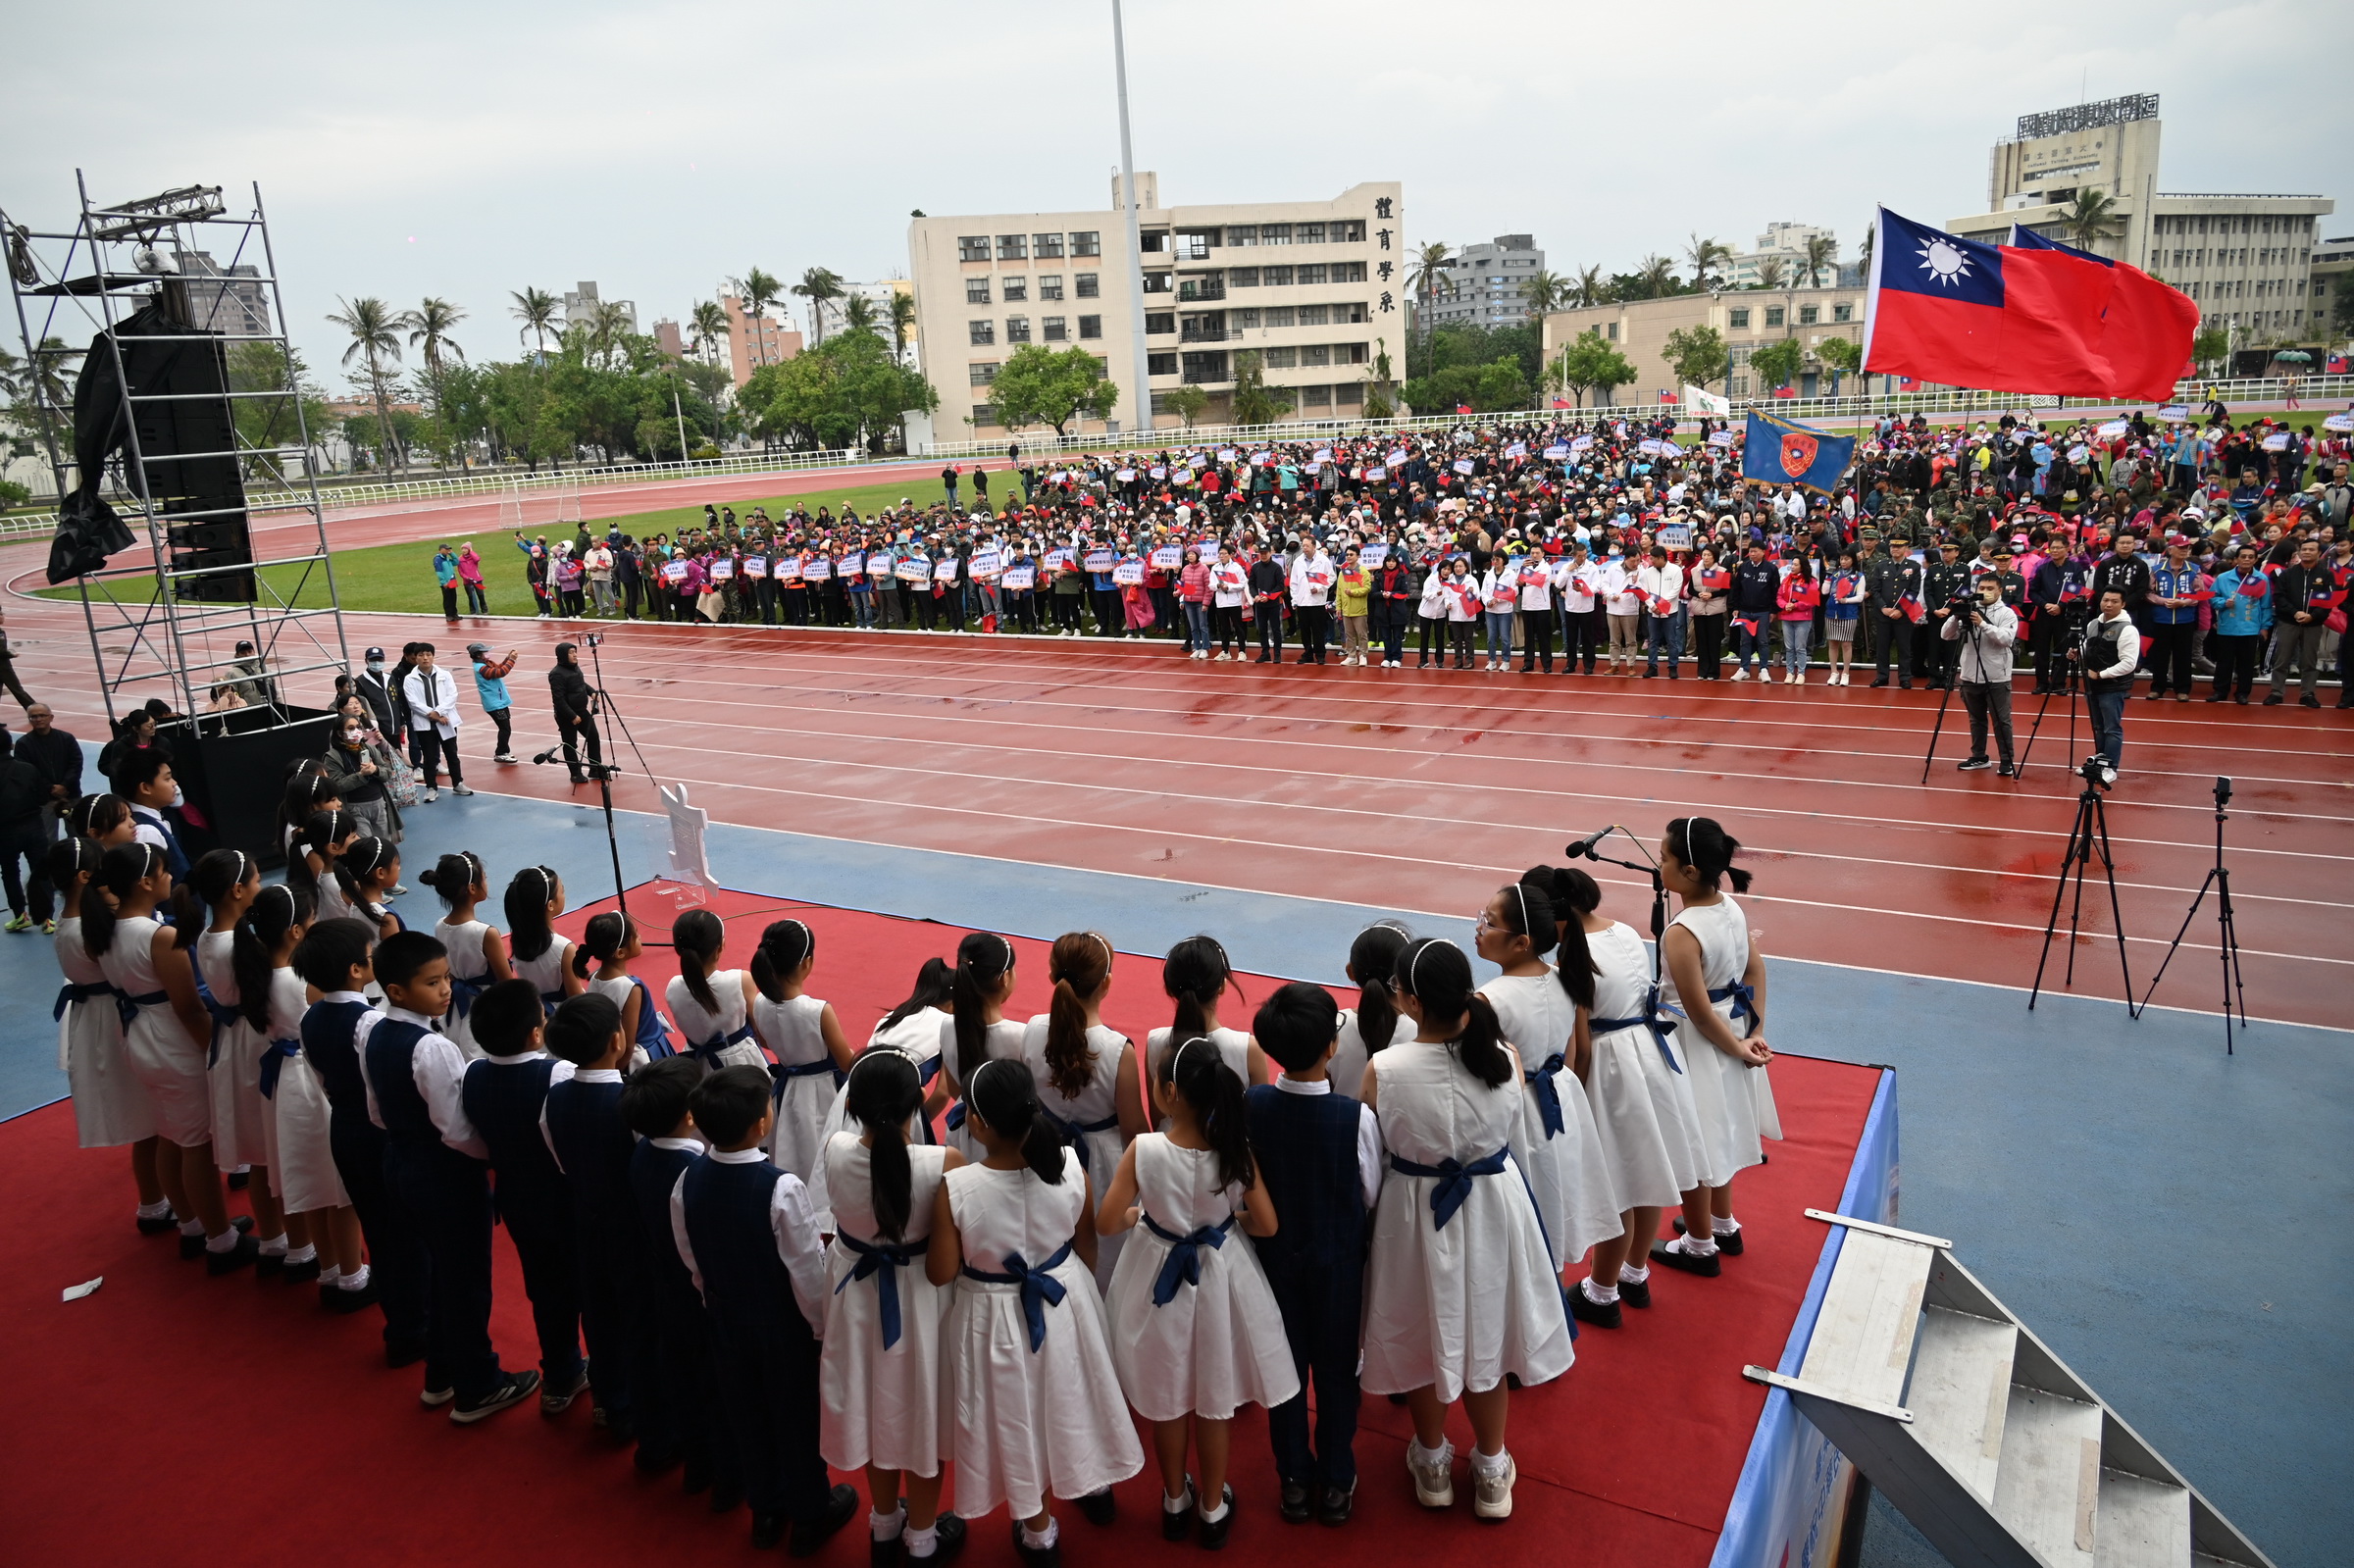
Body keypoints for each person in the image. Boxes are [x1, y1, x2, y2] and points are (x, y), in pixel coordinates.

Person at [1360, 937, 1573, 1520]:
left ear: (1409, 1002)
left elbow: (1371, 1150)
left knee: (1419, 1327)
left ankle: (1432, 1460)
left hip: (1414, 1214)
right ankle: (1491, 1468)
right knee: (1487, 1333)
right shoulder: (1504, 1057)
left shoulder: (1385, 1069)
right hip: (1492, 1208)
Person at [924, 1057, 1142, 1566]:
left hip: (992, 1314)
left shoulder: (958, 1187)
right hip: (1064, 1296)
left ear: (977, 1123)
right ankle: (1093, 1486)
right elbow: (1086, 1243)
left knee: (1017, 1414)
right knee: (1072, 1393)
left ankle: (1039, 1531)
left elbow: (940, 1271)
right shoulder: (1069, 1164)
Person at [1098, 1037, 1294, 1550]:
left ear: (1168, 1093)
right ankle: (1212, 1506)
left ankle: (1173, 1499)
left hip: (1156, 1275)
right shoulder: (1234, 1150)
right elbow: (1268, 1224)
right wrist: (1229, 1222)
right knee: (1213, 1396)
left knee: (1169, 1398)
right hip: (1219, 1278)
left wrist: (1142, 1217)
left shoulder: (1145, 1150)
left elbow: (1107, 1220)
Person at [671, 1064, 859, 1554]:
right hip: (781, 1326)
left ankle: (766, 1510)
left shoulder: (687, 1180)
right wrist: (820, 1328)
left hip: (725, 1317)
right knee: (796, 1415)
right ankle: (809, 1513)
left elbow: (691, 1255)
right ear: (761, 1123)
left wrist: (715, 1298)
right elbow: (806, 1272)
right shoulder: (780, 1188)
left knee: (746, 1411)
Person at [364, 930, 541, 1421]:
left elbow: (375, 1111)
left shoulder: (373, 1031)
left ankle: (442, 1371)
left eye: (446, 978)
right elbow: (458, 1130)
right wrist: (497, 1158)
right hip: (444, 1175)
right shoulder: (431, 1048)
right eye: (432, 983)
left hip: (399, 1162)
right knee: (466, 1280)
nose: (445, 990)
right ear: (397, 991)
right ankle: (478, 1384)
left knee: (440, 1273)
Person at [819, 1050, 968, 1568]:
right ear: (915, 1106)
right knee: (924, 1412)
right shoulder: (943, 1163)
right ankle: (922, 1538)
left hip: (857, 1302)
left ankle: (884, 1523)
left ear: (851, 1106)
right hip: (923, 1302)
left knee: (873, 1407)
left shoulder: (836, 1150)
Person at [1245, 981, 1381, 1526]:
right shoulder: (1355, 1117)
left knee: (1285, 1372)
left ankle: (1294, 1480)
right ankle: (1337, 1478)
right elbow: (1369, 1191)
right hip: (1338, 1262)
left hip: (1272, 1263)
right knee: (1338, 1371)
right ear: (1332, 1046)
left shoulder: (1252, 1104)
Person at [85, 843, 256, 1270]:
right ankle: (220, 1241)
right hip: (171, 1041)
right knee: (196, 1144)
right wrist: (214, 1052)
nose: (169, 878)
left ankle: (192, 1224)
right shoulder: (159, 937)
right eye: (163, 872)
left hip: (139, 1035)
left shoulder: (106, 928)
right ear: (145, 882)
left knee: (170, 1133)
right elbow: (188, 1007)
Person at [1474, 881, 1623, 1280]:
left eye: (1489, 921)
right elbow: (1571, 1055)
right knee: (1552, 1201)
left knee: (1521, 1213)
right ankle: (1554, 1293)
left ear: (1522, 942)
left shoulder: (1487, 1000)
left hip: (1517, 1114)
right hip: (1560, 1103)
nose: (1479, 927)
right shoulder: (1563, 979)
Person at [1648, 817, 1776, 1277]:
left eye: (1664, 858)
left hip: (1695, 1042)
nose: (1658, 865)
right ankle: (1723, 1224)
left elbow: (1697, 1011)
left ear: (1688, 872)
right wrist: (1753, 1031)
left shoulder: (1681, 932)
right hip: (1733, 1027)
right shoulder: (1731, 908)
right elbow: (1755, 970)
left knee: (1694, 1140)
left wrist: (1739, 1047)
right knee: (1719, 1130)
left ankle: (1699, 1245)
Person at [292, 917, 430, 1342]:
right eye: (370, 957)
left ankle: (400, 1322)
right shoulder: (370, 1022)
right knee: (406, 1229)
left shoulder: (309, 1018)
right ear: (356, 969)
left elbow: (320, 1078)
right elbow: (381, 1084)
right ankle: (416, 1324)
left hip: (344, 1126)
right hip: (378, 1130)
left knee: (376, 1226)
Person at [459, 978, 588, 1412]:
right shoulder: (556, 1073)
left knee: (544, 1286)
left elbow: (470, 1136)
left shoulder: (473, 1073)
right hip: (564, 1198)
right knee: (588, 1285)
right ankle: (607, 1384)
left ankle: (561, 1374)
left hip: (515, 1197)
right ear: (536, 1034)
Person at [544, 990, 659, 1444]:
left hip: (584, 1215)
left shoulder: (555, 1096)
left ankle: (609, 1399)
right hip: (630, 1224)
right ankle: (639, 1407)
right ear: (618, 1040)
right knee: (638, 1312)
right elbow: (645, 1168)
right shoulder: (630, 1101)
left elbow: (559, 1159)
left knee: (597, 1308)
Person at [620, 1058, 736, 1506]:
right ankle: (725, 1475)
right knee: (714, 1382)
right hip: (699, 1292)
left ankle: (697, 1463)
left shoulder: (641, 1153)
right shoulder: (695, 1169)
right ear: (691, 1116)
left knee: (683, 1376)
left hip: (663, 1285)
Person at [1017, 932, 1145, 1290]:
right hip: (1104, 1163)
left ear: (1051, 976)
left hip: (1048, 1153)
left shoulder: (1032, 1030)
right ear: (1106, 983)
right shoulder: (1118, 1049)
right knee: (1105, 1250)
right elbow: (1133, 1129)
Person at [50, 837, 166, 1227]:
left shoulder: (72, 920)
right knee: (153, 1122)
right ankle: (163, 1204)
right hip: (115, 1018)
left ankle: (155, 1202)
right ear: (86, 877)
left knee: (148, 1124)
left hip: (100, 1016)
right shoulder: (88, 929)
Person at [748, 918, 852, 1183]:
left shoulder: (759, 1002)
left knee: (788, 1147)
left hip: (784, 1088)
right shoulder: (817, 1010)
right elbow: (846, 1063)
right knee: (817, 1152)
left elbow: (765, 1042)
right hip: (820, 1093)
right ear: (806, 963)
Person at [667, 907, 765, 1072]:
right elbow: (759, 1028)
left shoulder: (673, 987)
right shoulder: (740, 980)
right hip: (741, 1062)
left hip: (694, 1066)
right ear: (720, 947)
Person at [1942, 575, 2021, 775]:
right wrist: (1956, 615)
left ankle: (2006, 760)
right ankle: (1979, 756)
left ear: (2000, 590)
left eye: (1990, 588)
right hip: (1969, 675)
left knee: (2001, 721)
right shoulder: (1969, 609)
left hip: (1996, 676)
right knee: (1976, 719)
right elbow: (1946, 635)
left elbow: (2006, 639)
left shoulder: (2007, 613)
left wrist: (1982, 624)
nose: (1985, 591)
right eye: (1982, 587)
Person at [2074, 589, 2141, 778]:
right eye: (2105, 600)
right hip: (2092, 685)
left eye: (2114, 601)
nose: (2108, 604)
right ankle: (2098, 762)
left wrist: (2101, 675)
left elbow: (2129, 663)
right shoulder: (2093, 624)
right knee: (2098, 727)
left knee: (2111, 728)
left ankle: (2110, 768)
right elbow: (2087, 648)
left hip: (2113, 686)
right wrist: (2077, 653)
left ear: (2123, 604)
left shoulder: (2127, 629)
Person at [2265, 537, 2336, 707]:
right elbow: (2279, 597)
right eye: (2304, 549)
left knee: (2309, 661)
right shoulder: (2287, 574)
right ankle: (2276, 692)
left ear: (2319, 553)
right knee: (2282, 659)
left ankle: (2307, 693)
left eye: (2311, 549)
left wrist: (2313, 616)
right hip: (2288, 622)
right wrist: (2294, 612)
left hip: (2313, 624)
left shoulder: (2326, 575)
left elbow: (2329, 600)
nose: (2307, 552)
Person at [400, 644, 473, 802]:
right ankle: (431, 788)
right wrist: (434, 715)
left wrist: (439, 712)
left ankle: (458, 783)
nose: (425, 658)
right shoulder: (410, 679)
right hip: (425, 724)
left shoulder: (445, 675)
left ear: (433, 656)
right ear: (416, 658)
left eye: (428, 654)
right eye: (421, 655)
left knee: (452, 754)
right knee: (429, 757)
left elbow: (452, 696)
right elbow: (413, 702)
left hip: (446, 721)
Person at [505, 865, 581, 1016]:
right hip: (563, 1018)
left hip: (535, 1015)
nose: (564, 895)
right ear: (550, 905)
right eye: (562, 891)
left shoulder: (519, 941)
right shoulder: (565, 948)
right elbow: (577, 999)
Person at [0, 731, 53, 931]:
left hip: (4, 831)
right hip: (33, 826)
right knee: (41, 871)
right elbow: (42, 798)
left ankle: (20, 915)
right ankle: (47, 919)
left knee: (10, 872)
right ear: (11, 746)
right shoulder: (28, 769)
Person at [2206, 543, 2269, 704]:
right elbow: (2212, 598)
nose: (2247, 559)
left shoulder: (2261, 579)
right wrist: (2223, 603)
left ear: (2255, 560)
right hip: (2227, 627)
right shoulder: (2223, 578)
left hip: (2250, 627)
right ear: (2236, 559)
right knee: (2224, 662)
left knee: (2246, 664)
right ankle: (2220, 691)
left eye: (2250, 557)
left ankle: (2242, 693)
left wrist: (2264, 627)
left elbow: (2266, 605)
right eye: (2243, 556)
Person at [18, 702, 83, 844]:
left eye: (42, 715)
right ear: (29, 720)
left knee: (77, 834)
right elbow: (28, 771)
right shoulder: (23, 744)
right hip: (44, 799)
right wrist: (50, 788)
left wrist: (64, 785)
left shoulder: (66, 739)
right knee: (47, 839)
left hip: (70, 795)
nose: (38, 719)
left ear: (51, 717)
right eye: (34, 716)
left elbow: (76, 764)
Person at [550, 641, 604, 786]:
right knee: (570, 744)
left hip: (582, 711)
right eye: (571, 653)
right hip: (567, 716)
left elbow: (581, 684)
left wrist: (591, 692)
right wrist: (572, 716)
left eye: (575, 652)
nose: (575, 655)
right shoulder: (556, 674)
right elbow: (558, 699)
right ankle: (575, 773)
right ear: (563, 655)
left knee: (593, 737)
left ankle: (595, 768)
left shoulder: (575, 668)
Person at [466, 643, 520, 764]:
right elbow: (500, 672)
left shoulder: (485, 664)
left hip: (499, 701)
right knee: (505, 728)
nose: (487, 654)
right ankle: (501, 752)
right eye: (484, 652)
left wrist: (508, 658)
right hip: (494, 704)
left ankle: (503, 751)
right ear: (478, 655)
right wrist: (512, 660)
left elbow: (499, 667)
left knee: (505, 728)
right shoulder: (481, 668)